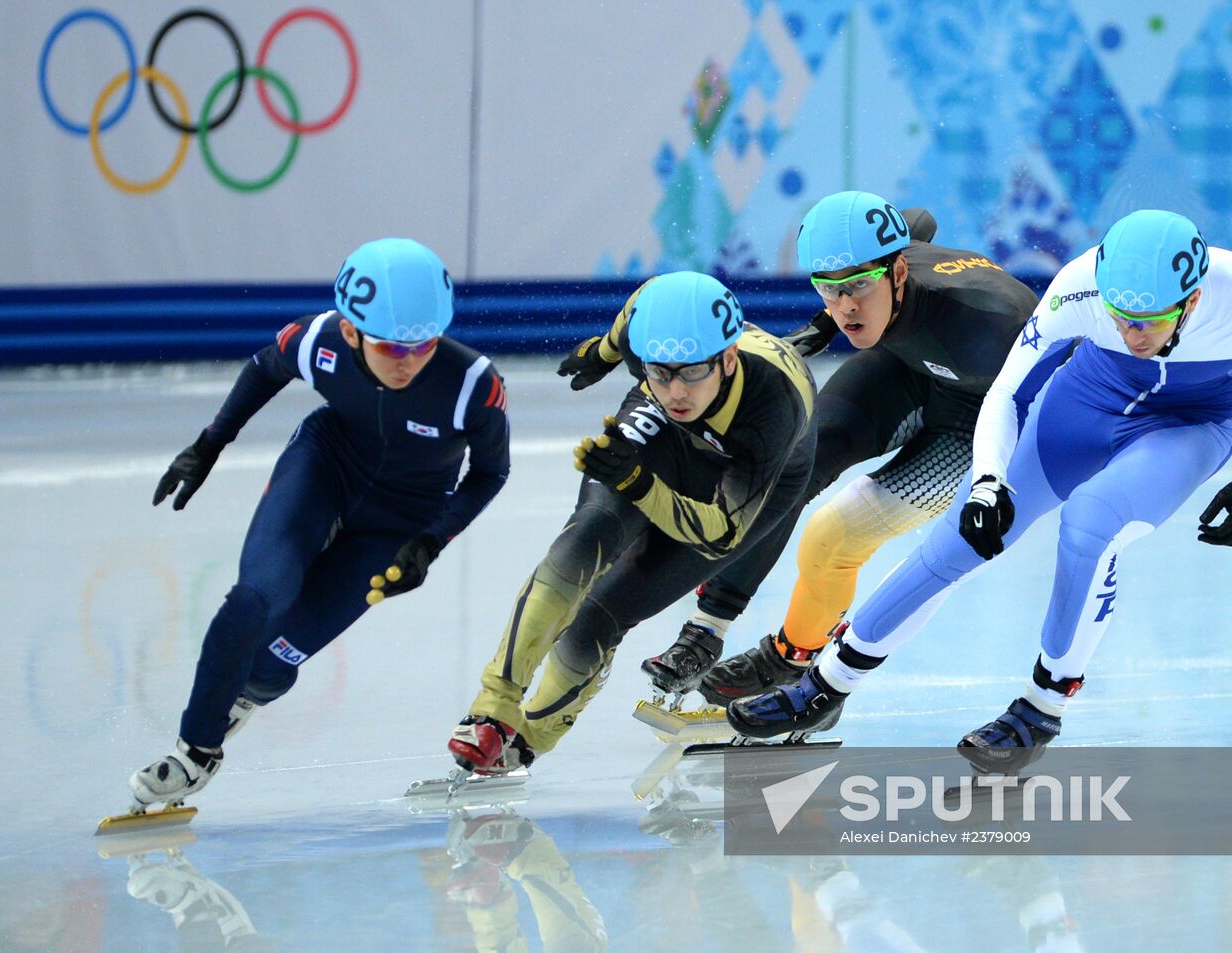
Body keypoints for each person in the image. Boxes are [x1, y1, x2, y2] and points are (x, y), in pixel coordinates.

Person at [727, 210, 1232, 771]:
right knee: (955, 544)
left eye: (1150, 323)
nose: (1133, 335)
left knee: (1090, 526)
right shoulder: (1078, 285)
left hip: (1188, 426)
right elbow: (1008, 392)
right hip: (1082, 407)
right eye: (1121, 318)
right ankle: (826, 686)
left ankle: (1042, 705)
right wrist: (988, 482)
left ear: (1194, 299)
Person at [125, 238, 511, 811]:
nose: (409, 360)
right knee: (257, 597)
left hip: (403, 518)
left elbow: (490, 474)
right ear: (352, 331)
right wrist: (209, 445)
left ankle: (245, 698)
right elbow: (264, 368)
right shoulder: (319, 339)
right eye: (390, 346)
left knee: (275, 660)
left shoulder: (472, 384)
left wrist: (432, 540)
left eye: (423, 344)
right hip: (325, 468)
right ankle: (195, 751)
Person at [643, 191, 1037, 706]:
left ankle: (792, 660)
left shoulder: (991, 321)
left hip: (982, 417)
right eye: (828, 290)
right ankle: (705, 630)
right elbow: (919, 218)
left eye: (857, 289)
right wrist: (826, 322)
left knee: (833, 536)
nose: (845, 305)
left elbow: (1061, 391)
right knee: (787, 466)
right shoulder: (889, 261)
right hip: (905, 369)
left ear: (899, 274)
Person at [448, 271, 815, 774]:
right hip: (668, 442)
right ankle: (493, 706)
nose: (675, 390)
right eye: (658, 372)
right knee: (587, 535)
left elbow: (718, 534)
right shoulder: (657, 360)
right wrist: (602, 352)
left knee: (603, 612)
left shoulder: (775, 405)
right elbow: (639, 305)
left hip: (750, 476)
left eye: (690, 373)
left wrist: (640, 484)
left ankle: (532, 737)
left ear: (728, 360)